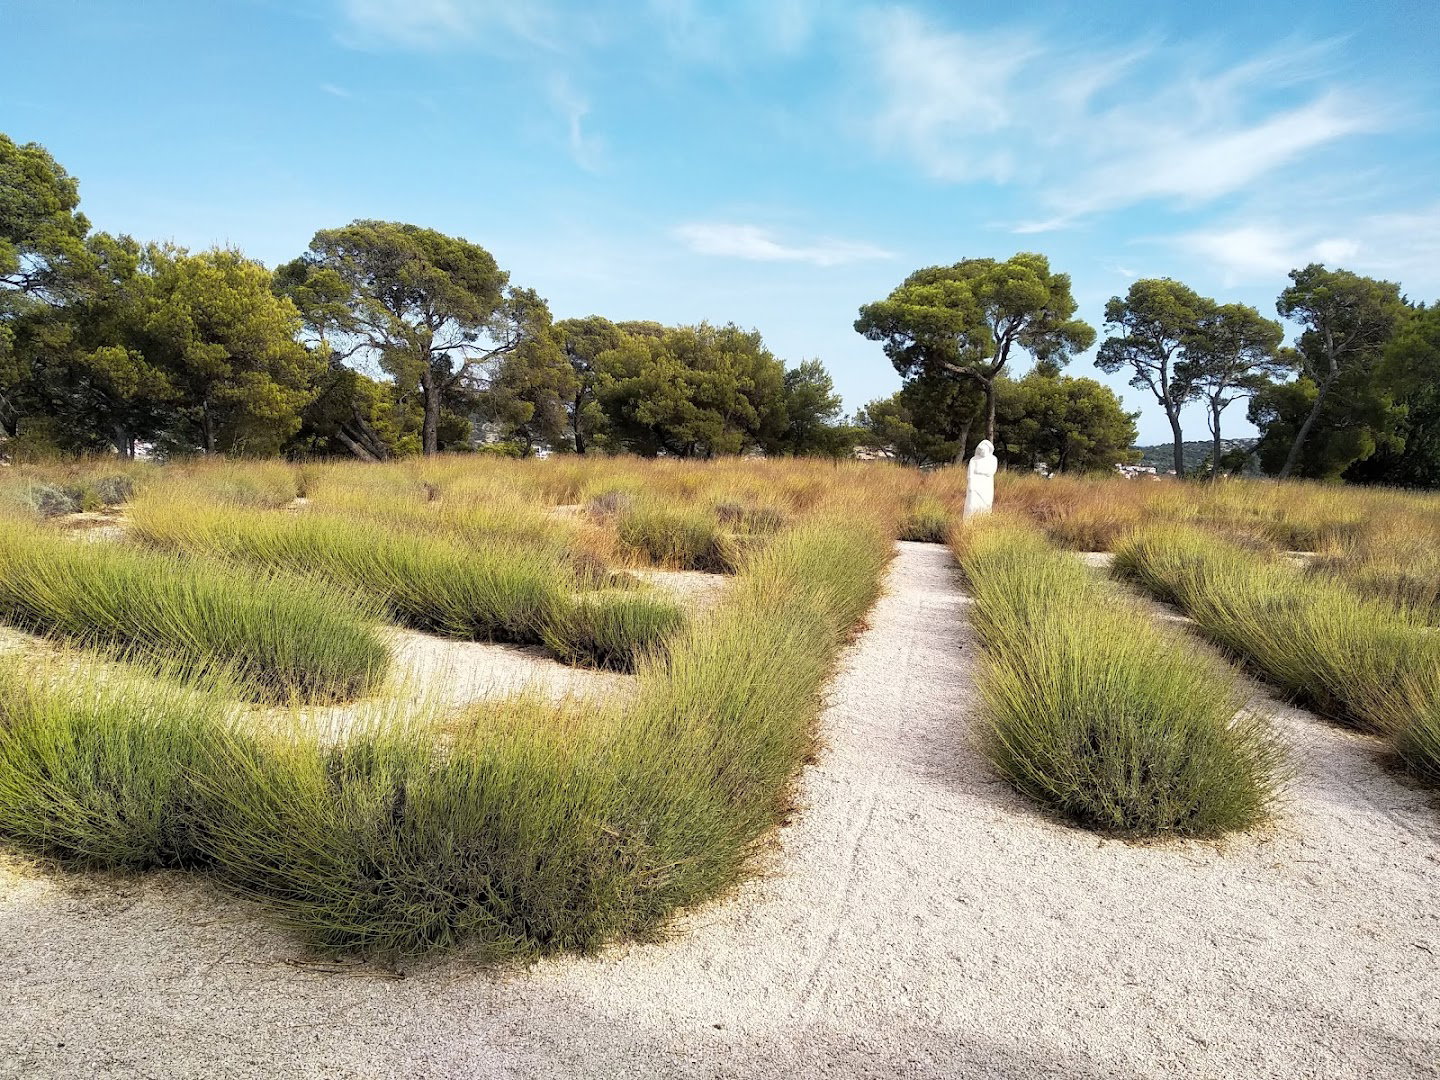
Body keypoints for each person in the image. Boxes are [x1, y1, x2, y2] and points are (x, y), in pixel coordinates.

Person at [963, 439, 997, 519]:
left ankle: (983, 521)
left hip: (986, 483)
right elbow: (970, 474)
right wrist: (971, 484)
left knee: (986, 503)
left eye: (984, 450)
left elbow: (991, 472)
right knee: (972, 503)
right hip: (975, 483)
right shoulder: (974, 460)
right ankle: (969, 521)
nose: (982, 452)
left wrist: (981, 471)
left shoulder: (993, 459)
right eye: (981, 450)